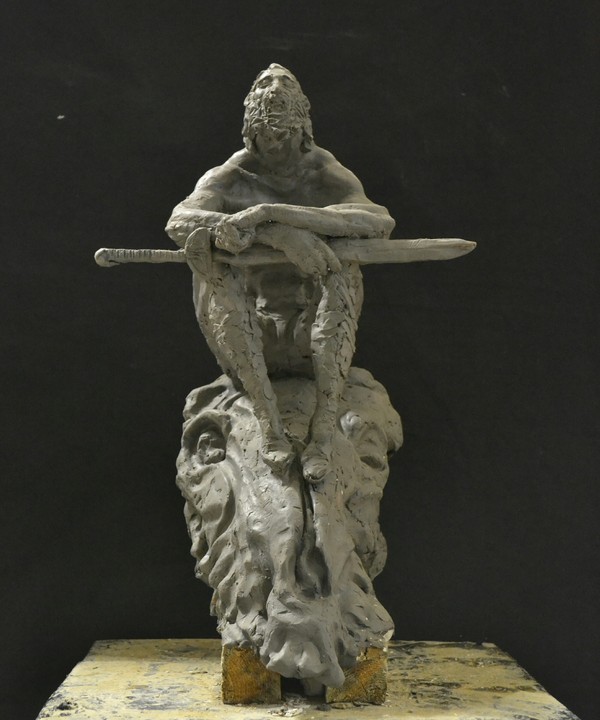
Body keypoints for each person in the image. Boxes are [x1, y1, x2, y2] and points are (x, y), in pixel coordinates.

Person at [165, 63, 395, 483]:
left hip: (316, 329)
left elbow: (378, 222)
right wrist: (278, 236)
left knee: (341, 269)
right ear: (249, 118)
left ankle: (323, 428)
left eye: (285, 82)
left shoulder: (321, 169)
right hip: (251, 333)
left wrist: (271, 214)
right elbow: (179, 222)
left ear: (303, 117)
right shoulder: (231, 175)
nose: (274, 86)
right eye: (263, 83)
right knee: (210, 264)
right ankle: (268, 422)